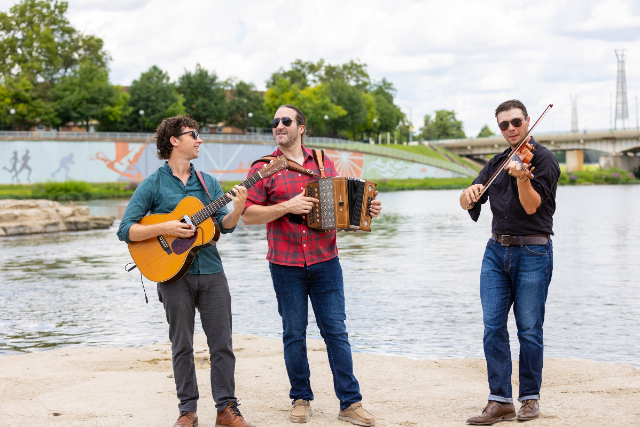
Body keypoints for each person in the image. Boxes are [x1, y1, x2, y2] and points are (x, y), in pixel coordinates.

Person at [242, 104, 382, 426]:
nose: (279, 125)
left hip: (326, 261)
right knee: (294, 333)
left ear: (300, 127)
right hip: (285, 264)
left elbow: (340, 207)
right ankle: (301, 398)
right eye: (275, 121)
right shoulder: (262, 168)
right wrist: (286, 206)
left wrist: (366, 209)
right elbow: (247, 215)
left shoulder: (322, 162)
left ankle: (350, 402)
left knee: (336, 331)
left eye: (286, 121)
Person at [117, 116, 254, 427]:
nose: (199, 140)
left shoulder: (209, 183)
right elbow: (125, 230)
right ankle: (187, 412)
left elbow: (224, 227)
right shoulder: (152, 184)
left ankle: (226, 410)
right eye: (194, 135)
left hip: (211, 271)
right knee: (182, 344)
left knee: (222, 342)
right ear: (174, 141)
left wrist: (238, 208)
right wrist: (166, 226)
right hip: (171, 275)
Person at [461, 100, 560, 425]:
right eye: (504, 125)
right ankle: (500, 400)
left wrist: (521, 178)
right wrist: (469, 193)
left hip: (533, 252)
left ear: (528, 120)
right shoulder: (497, 162)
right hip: (495, 252)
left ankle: (529, 400)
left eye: (516, 122)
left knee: (529, 330)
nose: (511, 129)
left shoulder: (543, 159)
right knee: (492, 328)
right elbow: (467, 202)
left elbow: (533, 207)